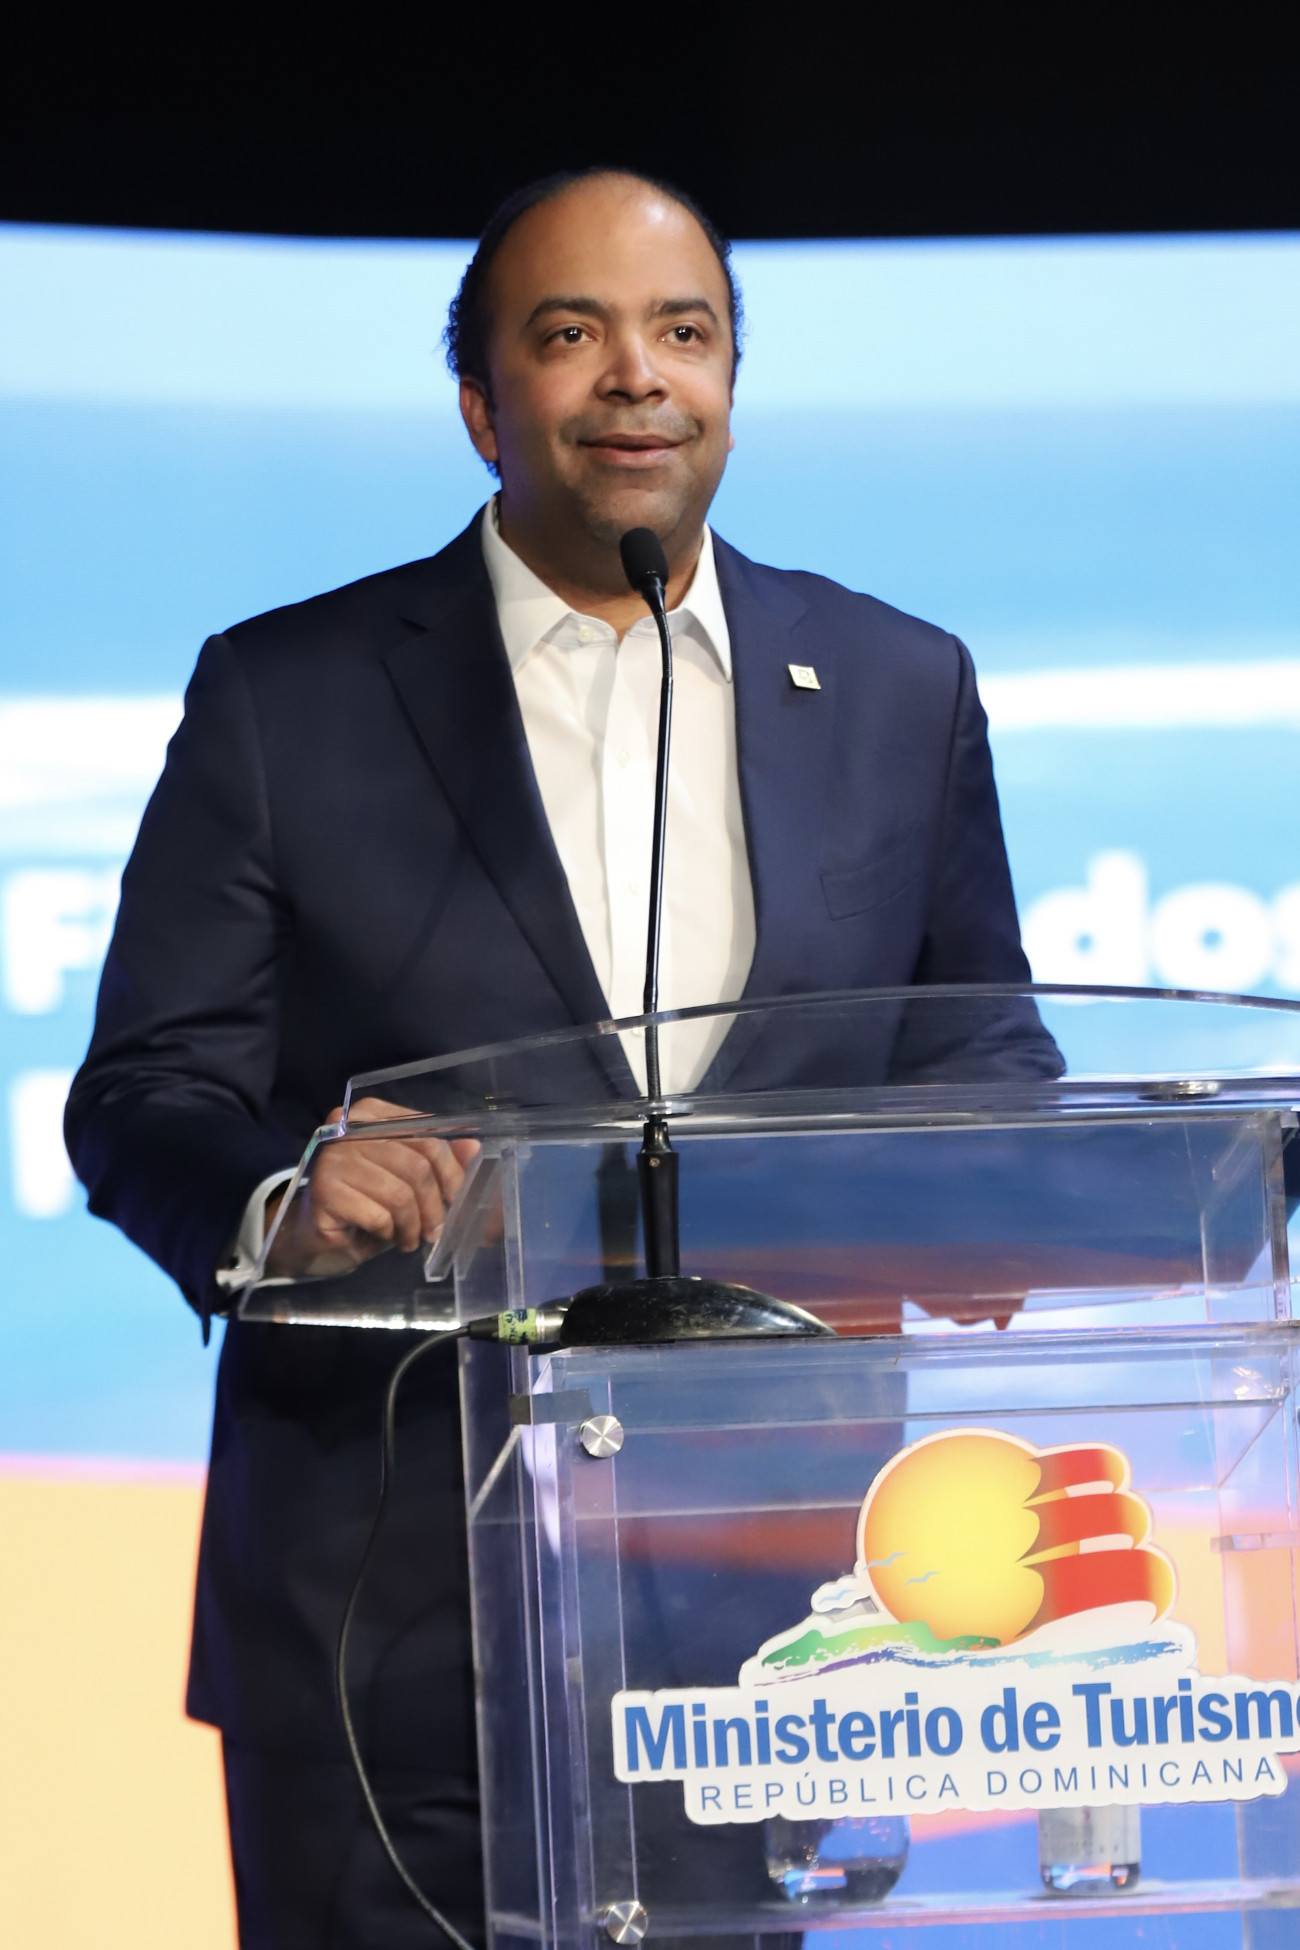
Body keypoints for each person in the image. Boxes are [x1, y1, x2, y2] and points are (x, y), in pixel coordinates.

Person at [66, 168, 1058, 1948]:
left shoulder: (899, 684)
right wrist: (286, 1195)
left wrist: (1011, 1198)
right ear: (482, 405)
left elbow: (984, 1047)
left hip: (766, 1609)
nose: (637, 375)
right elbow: (143, 1094)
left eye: (685, 332)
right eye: (572, 332)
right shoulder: (288, 696)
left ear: (731, 385)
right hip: (387, 1614)